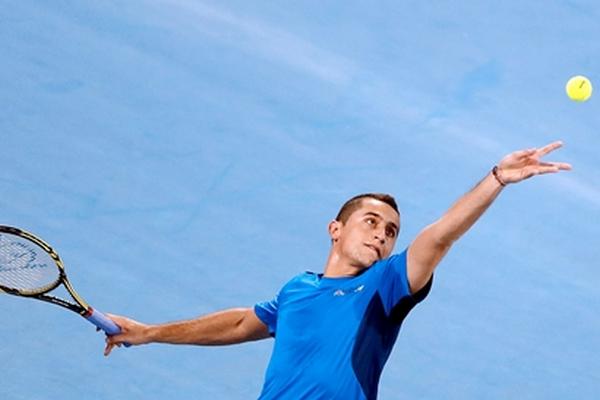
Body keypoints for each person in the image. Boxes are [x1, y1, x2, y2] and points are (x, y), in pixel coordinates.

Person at [103, 141, 571, 399]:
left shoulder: (385, 286)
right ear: (335, 228)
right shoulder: (297, 290)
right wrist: (149, 332)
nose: (382, 235)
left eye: (390, 231)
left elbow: (439, 236)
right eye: (371, 222)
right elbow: (243, 322)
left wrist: (495, 180)